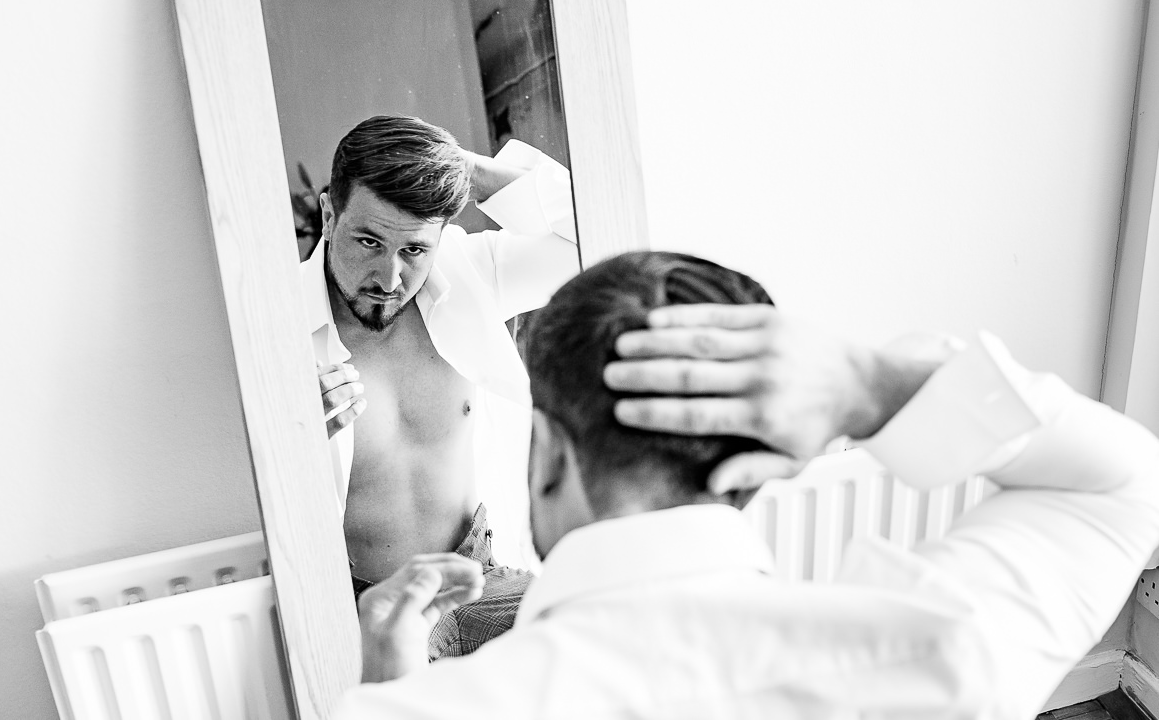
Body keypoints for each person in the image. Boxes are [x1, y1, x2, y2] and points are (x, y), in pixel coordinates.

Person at [336, 250, 1159, 719]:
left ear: (546, 451)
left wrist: (395, 687)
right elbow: (1122, 485)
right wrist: (870, 386)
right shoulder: (942, 649)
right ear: (770, 461)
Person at [302, 115, 579, 659]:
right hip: (366, 608)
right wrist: (292, 437)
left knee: (591, 651)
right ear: (329, 213)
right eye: (367, 241)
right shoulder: (277, 333)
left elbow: (592, 237)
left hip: (479, 581)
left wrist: (466, 170)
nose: (388, 279)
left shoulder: (468, 273)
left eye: (413, 251)